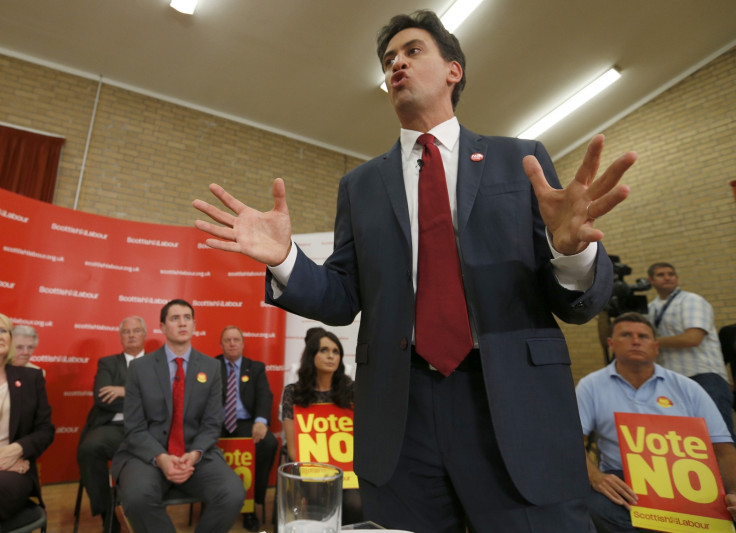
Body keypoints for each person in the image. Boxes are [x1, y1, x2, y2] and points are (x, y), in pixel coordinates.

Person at [193, 10, 637, 532]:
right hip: (401, 415)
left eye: (412, 51)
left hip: (510, 403)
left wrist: (570, 252)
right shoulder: (360, 186)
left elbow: (575, 305)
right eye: (388, 60)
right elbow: (342, 297)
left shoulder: (518, 162)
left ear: (454, 69)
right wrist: (286, 259)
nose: (396, 64)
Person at [577, 312, 736, 532]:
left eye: (643, 336)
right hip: (623, 480)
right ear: (611, 344)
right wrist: (596, 477)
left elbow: (723, 450)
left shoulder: (687, 387)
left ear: (656, 346)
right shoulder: (590, 386)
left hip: (687, 482)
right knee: (592, 506)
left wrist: (734, 493)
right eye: (626, 335)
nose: (635, 340)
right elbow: (573, 441)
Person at [111, 299, 244, 533]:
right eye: (174, 318)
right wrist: (162, 458)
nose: (182, 323)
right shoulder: (140, 368)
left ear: (194, 324)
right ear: (162, 327)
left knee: (233, 493)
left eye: (187, 317)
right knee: (137, 497)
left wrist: (193, 455)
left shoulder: (211, 368)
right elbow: (134, 428)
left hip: (195, 453)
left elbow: (213, 424)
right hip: (148, 455)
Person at [281, 327, 362, 525]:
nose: (331, 356)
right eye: (324, 350)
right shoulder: (293, 392)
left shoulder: (351, 389)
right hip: (311, 467)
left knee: (355, 504)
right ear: (311, 355)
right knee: (318, 501)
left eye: (336, 351)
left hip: (347, 468)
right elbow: (293, 450)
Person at [647, 262, 734, 438]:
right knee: (686, 441)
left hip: (705, 377)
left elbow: (693, 338)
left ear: (677, 278)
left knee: (719, 440)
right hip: (671, 380)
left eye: (671, 274)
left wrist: (651, 342)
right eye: (661, 274)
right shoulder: (651, 308)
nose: (667, 277)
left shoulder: (691, 300)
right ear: (651, 280)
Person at [77, 316, 147, 531]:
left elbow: (162, 400)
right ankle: (107, 515)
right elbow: (102, 398)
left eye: (136, 331)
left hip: (146, 429)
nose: (132, 335)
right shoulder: (108, 363)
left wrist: (124, 391)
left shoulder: (157, 363)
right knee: (89, 448)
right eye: (127, 332)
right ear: (120, 337)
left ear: (144, 335)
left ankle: (146, 513)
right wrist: (141, 398)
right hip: (112, 428)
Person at [215, 325, 278, 532]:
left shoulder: (256, 367)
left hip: (245, 423)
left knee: (268, 442)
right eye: (227, 340)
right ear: (221, 344)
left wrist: (260, 421)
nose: (232, 343)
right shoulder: (210, 366)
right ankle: (214, 503)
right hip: (216, 424)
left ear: (242, 344)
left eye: (236, 340)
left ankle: (251, 505)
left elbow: (264, 395)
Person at [0, 313, 54, 522]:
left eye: (3, 330)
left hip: (13, 471)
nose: (0, 335)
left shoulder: (31, 378)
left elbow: (45, 431)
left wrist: (18, 449)